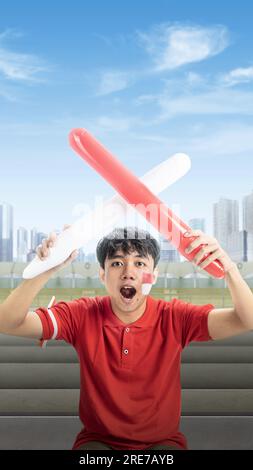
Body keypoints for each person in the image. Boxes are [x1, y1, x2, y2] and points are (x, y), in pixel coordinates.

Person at [0, 225, 253, 451]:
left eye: (140, 263)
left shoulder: (175, 317)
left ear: (153, 275)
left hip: (163, 443)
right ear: (102, 275)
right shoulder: (81, 314)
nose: (128, 272)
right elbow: (7, 322)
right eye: (117, 263)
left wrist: (228, 268)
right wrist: (46, 269)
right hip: (97, 441)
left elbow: (247, 319)